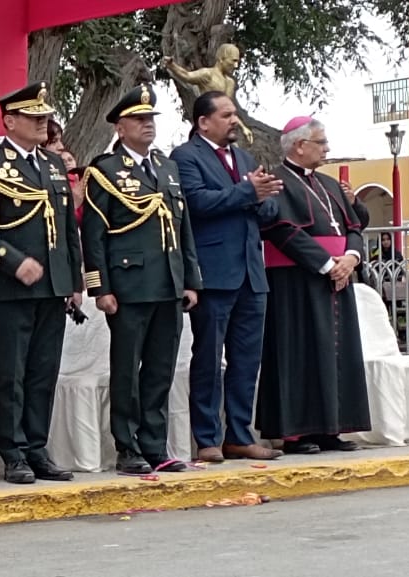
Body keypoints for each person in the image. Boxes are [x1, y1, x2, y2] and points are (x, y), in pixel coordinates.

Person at [82, 84, 202, 475]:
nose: (147, 125)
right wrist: (100, 288)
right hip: (130, 285)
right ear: (120, 128)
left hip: (167, 283)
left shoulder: (166, 167)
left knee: (159, 369)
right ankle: (127, 446)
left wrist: (190, 280)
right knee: (127, 370)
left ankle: (155, 444)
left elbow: (182, 227)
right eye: (138, 119)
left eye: (150, 118)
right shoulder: (105, 171)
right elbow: (94, 235)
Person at [0, 82, 82, 484]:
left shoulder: (52, 165)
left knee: (43, 371)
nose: (43, 123)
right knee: (11, 372)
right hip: (11, 285)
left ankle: (37, 446)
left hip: (53, 284)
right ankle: (12, 450)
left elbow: (67, 227)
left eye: (45, 116)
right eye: (34, 117)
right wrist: (13, 263)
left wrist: (74, 279)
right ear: (10, 120)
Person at [169, 91, 283, 463]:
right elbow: (197, 204)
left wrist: (262, 197)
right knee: (208, 359)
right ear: (203, 122)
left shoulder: (245, 158)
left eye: (235, 114)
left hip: (252, 273)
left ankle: (239, 435)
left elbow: (266, 210)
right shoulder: (186, 157)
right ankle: (207, 439)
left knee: (247, 360)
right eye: (226, 114)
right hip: (214, 273)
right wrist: (247, 192)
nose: (234, 120)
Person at [256, 117, 370, 453]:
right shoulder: (276, 180)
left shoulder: (330, 185)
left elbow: (354, 225)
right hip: (296, 279)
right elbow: (282, 229)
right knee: (299, 353)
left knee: (335, 353)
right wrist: (325, 264)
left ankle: (329, 428)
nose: (327, 148)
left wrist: (351, 258)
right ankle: (296, 433)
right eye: (321, 142)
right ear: (299, 145)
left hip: (339, 277)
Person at [163, 43, 253, 143]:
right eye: (233, 61)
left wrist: (243, 127)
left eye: (237, 62)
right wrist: (172, 65)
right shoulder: (208, 75)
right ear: (221, 59)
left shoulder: (230, 82)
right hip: (208, 126)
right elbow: (187, 76)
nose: (236, 66)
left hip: (223, 129)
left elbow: (227, 110)